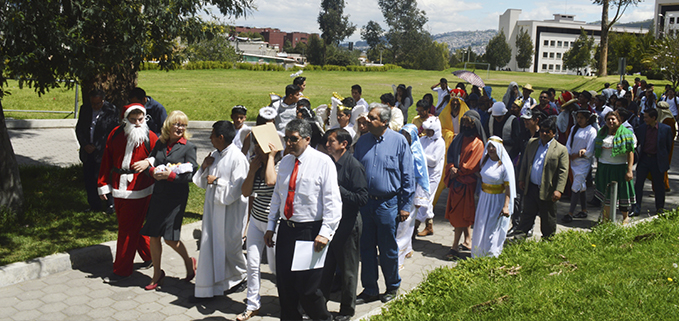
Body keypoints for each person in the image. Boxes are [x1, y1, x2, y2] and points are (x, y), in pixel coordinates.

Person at [263, 119, 342, 321]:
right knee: (286, 286)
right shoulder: (285, 162)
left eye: (293, 139)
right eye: (286, 139)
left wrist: (325, 233)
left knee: (308, 290)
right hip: (287, 230)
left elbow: (333, 201)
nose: (288, 143)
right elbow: (278, 196)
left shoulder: (323, 162)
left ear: (307, 139)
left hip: (310, 233)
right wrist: (271, 226)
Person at [354, 104, 414, 304]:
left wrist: (405, 206)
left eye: (372, 118)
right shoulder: (362, 142)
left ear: (384, 122)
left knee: (387, 249)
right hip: (365, 204)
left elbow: (408, 175)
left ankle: (392, 286)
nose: (367, 121)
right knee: (366, 248)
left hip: (388, 205)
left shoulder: (398, 142)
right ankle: (370, 289)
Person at [135, 111, 198, 290]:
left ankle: (188, 261)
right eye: (177, 124)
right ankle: (157, 274)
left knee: (171, 239)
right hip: (159, 195)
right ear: (168, 126)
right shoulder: (160, 144)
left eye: (183, 125)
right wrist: (152, 172)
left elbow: (191, 175)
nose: (180, 128)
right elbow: (152, 163)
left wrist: (170, 176)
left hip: (176, 198)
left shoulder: (188, 147)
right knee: (153, 235)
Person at [97, 103, 157, 283]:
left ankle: (122, 270)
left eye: (141, 119)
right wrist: (102, 184)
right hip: (118, 187)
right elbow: (106, 159)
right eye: (133, 120)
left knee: (126, 230)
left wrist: (149, 161)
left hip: (139, 189)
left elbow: (162, 154)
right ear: (125, 119)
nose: (138, 123)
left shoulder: (150, 136)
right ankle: (149, 255)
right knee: (132, 226)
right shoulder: (115, 134)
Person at [192, 121, 248, 300]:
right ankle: (215, 283)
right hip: (212, 210)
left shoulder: (237, 158)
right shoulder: (214, 155)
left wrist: (216, 181)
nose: (210, 138)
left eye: (212, 135)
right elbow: (201, 182)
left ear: (221, 137)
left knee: (230, 247)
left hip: (229, 212)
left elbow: (238, 189)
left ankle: (241, 276)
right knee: (212, 246)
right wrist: (203, 166)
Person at [321, 128, 368, 321]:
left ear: (343, 144)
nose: (327, 145)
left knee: (348, 270)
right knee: (324, 269)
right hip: (329, 225)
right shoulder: (328, 164)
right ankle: (319, 306)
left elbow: (362, 198)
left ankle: (347, 311)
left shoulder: (353, 166)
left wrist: (338, 190)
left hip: (348, 226)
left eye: (331, 142)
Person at [239, 138, 280, 321]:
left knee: (276, 267)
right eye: (255, 146)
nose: (255, 150)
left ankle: (288, 301)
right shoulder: (255, 167)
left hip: (275, 225)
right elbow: (246, 192)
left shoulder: (279, 166)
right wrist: (251, 171)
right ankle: (252, 304)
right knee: (252, 264)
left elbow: (272, 182)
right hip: (257, 221)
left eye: (259, 147)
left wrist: (270, 158)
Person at [516, 118, 569, 239]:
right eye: (542, 131)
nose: (544, 134)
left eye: (547, 131)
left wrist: (559, 190)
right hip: (531, 188)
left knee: (548, 220)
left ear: (553, 133)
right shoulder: (532, 143)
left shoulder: (561, 149)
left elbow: (563, 172)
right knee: (526, 217)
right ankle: (518, 241)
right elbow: (525, 162)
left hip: (548, 190)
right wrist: (522, 179)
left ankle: (547, 243)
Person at [444, 110, 485, 259]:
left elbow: (471, 166)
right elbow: (450, 156)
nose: (466, 126)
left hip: (466, 184)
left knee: (461, 215)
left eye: (469, 123)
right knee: (462, 214)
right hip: (456, 181)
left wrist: (458, 172)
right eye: (464, 122)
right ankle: (468, 240)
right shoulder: (458, 139)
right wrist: (451, 168)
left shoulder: (478, 143)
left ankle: (454, 247)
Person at [75, 89, 118, 214]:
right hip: (88, 151)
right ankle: (94, 205)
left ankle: (110, 204)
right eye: (93, 103)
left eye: (98, 103)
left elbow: (111, 132)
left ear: (103, 101)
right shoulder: (85, 109)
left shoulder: (111, 110)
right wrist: (85, 145)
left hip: (102, 151)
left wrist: (97, 145)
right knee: (89, 179)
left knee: (105, 177)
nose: (95, 106)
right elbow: (80, 129)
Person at [471, 136, 516, 258]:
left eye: (493, 147)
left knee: (492, 229)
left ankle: (491, 255)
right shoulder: (485, 161)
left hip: (497, 201)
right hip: (484, 199)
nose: (491, 149)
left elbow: (508, 188)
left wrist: (506, 206)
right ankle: (478, 253)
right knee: (481, 225)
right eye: (489, 146)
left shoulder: (504, 166)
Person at [593, 111, 636, 223]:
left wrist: (629, 170)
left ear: (618, 120)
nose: (611, 121)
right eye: (608, 119)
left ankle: (625, 218)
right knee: (606, 195)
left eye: (613, 119)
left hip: (619, 168)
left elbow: (630, 152)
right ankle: (606, 220)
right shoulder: (602, 133)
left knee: (622, 193)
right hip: (604, 168)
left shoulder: (626, 133)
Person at [396, 124, 429, 268]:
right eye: (402, 134)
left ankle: (398, 258)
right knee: (403, 224)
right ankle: (407, 249)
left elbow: (422, 178)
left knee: (404, 224)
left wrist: (419, 198)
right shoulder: (399, 149)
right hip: (398, 191)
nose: (404, 137)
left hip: (411, 193)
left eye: (407, 135)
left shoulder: (417, 154)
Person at [632, 109, 673, 216]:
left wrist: (662, 158)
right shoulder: (641, 129)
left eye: (646, 117)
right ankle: (636, 206)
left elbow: (668, 146)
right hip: (645, 159)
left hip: (657, 160)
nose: (644, 119)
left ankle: (660, 207)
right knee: (639, 184)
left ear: (653, 118)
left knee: (659, 185)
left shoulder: (665, 129)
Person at [432, 90, 470, 205]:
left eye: (456, 103)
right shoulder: (445, 114)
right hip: (448, 145)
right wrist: (450, 135)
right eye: (453, 102)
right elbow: (441, 129)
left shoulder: (466, 113)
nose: (454, 105)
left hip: (462, 145)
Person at [562, 109, 597, 223]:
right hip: (573, 161)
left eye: (582, 118)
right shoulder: (574, 128)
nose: (579, 120)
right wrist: (569, 154)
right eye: (578, 117)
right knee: (581, 186)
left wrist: (579, 154)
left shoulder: (591, 131)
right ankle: (584, 210)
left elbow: (590, 150)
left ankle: (570, 213)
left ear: (587, 119)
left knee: (576, 186)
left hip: (583, 163)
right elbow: (569, 143)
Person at [415, 116, 446, 237]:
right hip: (421, 174)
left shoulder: (440, 143)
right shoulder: (423, 140)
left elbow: (433, 161)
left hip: (433, 176)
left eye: (430, 131)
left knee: (424, 199)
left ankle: (415, 226)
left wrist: (420, 155)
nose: (427, 133)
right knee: (425, 199)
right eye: (426, 130)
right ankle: (429, 225)